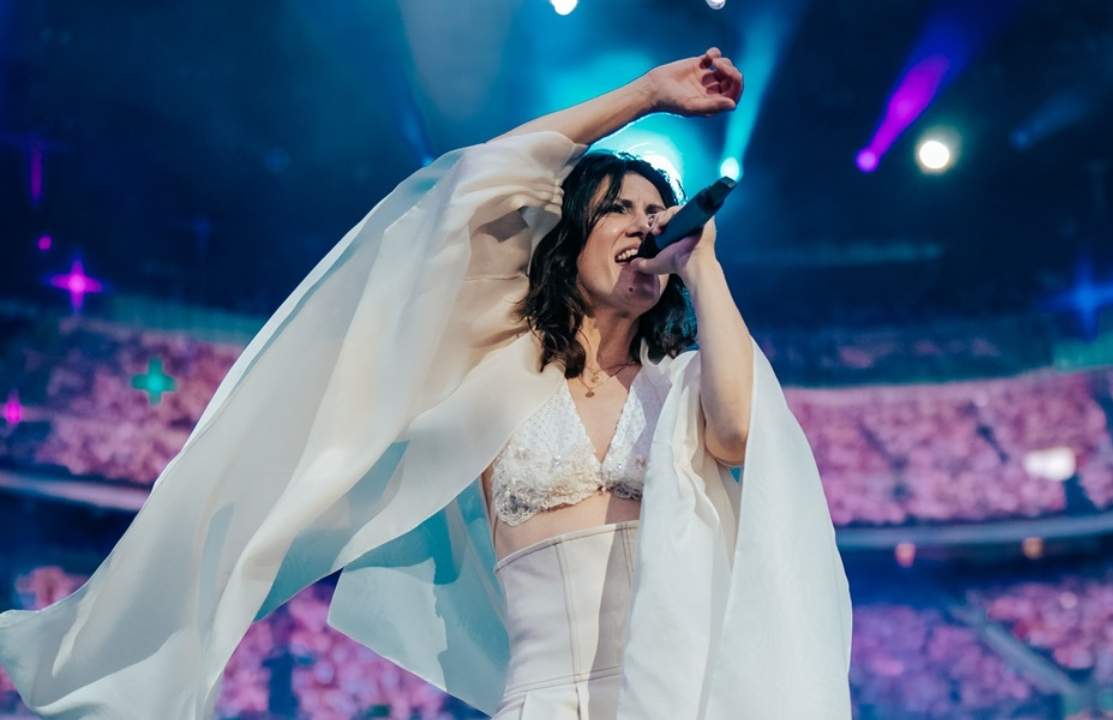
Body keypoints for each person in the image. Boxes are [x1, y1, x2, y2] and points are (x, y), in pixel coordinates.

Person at [0, 48, 853, 719]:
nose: (647, 225)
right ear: (570, 234)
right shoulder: (493, 364)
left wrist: (702, 268)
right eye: (622, 209)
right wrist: (647, 94)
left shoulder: (683, 385)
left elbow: (739, 435)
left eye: (658, 211)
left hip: (674, 702)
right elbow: (482, 178)